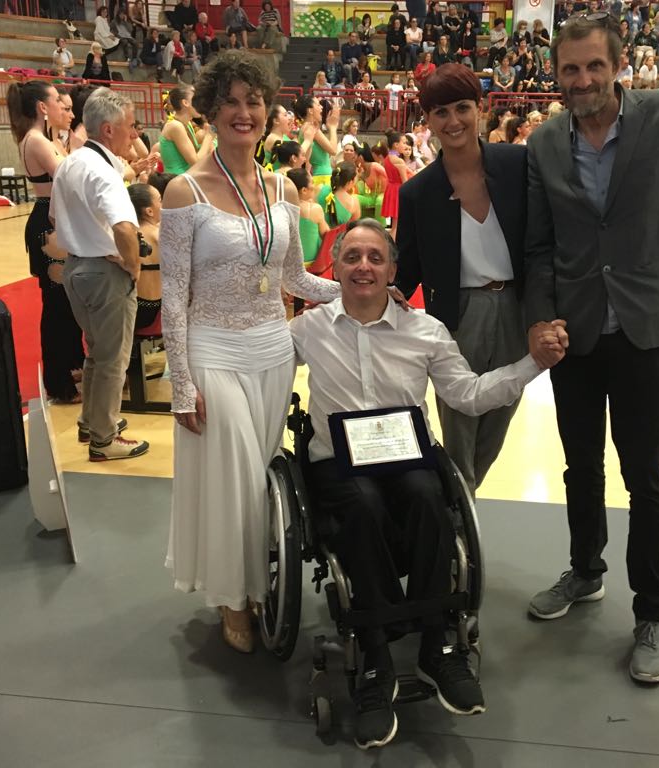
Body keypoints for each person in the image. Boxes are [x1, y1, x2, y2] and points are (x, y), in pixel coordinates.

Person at [291, 217, 566, 750]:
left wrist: (533, 364)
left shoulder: (426, 331)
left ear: (393, 270)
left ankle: (436, 647)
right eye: (352, 257)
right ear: (335, 268)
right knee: (362, 503)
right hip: (337, 464)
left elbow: (469, 395)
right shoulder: (307, 330)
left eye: (375, 257)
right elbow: (259, 371)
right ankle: (375, 654)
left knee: (426, 493)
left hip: (406, 458)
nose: (364, 266)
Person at [524, 15, 659, 684]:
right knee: (580, 466)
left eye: (594, 66)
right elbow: (539, 247)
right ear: (557, 74)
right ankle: (585, 570)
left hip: (646, 328)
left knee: (644, 480)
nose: (582, 80)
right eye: (570, 69)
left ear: (618, 65)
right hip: (575, 332)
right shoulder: (545, 140)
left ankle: (652, 612)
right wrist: (539, 320)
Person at [159, 50, 342, 654]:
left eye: (254, 101)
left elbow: (294, 278)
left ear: (267, 111)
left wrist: (356, 290)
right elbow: (174, 296)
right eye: (231, 102)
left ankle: (255, 579)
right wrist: (181, 384)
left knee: (259, 477)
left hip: (273, 350)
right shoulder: (184, 192)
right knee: (232, 478)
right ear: (211, 113)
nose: (244, 112)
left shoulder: (281, 186)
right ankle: (231, 596)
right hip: (213, 351)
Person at [395, 64, 538, 495]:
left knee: (498, 420)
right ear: (428, 119)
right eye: (440, 112)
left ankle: (460, 504)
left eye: (462, 107)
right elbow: (406, 270)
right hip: (457, 317)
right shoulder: (418, 192)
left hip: (517, 310)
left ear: (481, 107)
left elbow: (544, 239)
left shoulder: (517, 164)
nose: (453, 120)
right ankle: (461, 513)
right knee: (458, 427)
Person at [50, 87, 150, 462]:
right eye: (130, 125)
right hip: (104, 270)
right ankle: (104, 439)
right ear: (108, 129)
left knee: (96, 352)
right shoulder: (104, 172)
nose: (134, 133)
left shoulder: (71, 162)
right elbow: (124, 227)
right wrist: (134, 267)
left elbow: (53, 217)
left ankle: (91, 421)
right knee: (112, 359)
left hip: (76, 267)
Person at [6, 81, 84, 407]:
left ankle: (71, 365)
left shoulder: (44, 139)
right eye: (55, 101)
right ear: (42, 107)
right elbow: (69, 177)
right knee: (56, 306)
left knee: (65, 302)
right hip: (48, 224)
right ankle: (58, 382)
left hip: (55, 218)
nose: (61, 106)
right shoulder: (37, 140)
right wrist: (77, 147)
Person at [127, 183, 163, 330]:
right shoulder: (161, 234)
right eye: (160, 200)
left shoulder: (128, 236)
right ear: (149, 211)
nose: (163, 205)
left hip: (136, 303)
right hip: (157, 304)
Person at [160, 85, 214, 175]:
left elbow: (198, 153)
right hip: (176, 179)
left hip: (186, 176)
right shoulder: (175, 126)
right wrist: (209, 136)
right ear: (185, 103)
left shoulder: (187, 124)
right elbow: (195, 163)